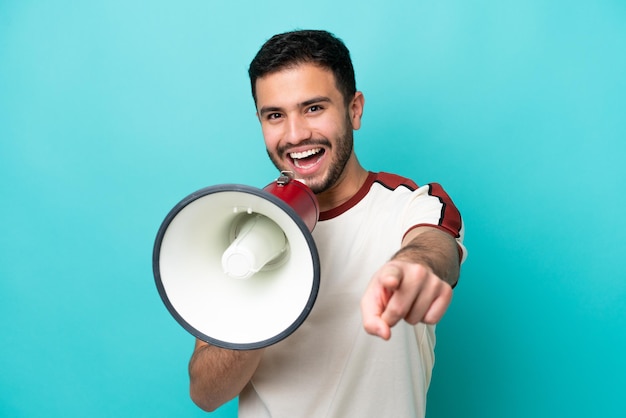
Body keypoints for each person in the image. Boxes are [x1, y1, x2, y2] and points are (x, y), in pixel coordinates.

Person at [188, 29, 466, 417]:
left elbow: (434, 247)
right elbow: (205, 393)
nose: (296, 134)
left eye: (314, 108)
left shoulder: (412, 206)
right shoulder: (240, 229)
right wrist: (257, 298)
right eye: (275, 116)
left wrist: (412, 267)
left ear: (354, 109)